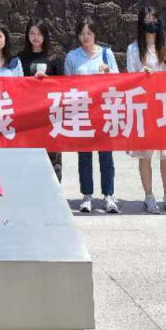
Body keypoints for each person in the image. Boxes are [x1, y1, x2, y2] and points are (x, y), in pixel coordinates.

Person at [125, 7, 166, 214]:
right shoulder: (133, 49)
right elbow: (129, 77)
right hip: (144, 106)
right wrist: (141, 73)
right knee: (145, 154)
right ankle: (149, 197)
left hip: (165, 106)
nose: (151, 23)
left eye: (154, 19)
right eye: (147, 20)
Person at [64, 17, 118, 214]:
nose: (85, 37)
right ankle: (87, 196)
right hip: (82, 111)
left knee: (106, 156)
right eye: (82, 34)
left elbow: (118, 80)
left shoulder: (106, 53)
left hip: (103, 111)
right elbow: (66, 83)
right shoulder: (72, 56)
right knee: (84, 156)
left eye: (89, 33)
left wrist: (108, 72)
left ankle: (108, 195)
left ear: (96, 34)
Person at [17, 18, 63, 182]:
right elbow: (16, 84)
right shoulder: (20, 58)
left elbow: (63, 85)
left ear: (45, 35)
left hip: (50, 113)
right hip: (28, 113)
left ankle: (54, 190)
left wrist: (48, 81)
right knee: (29, 154)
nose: (35, 37)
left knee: (52, 154)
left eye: (39, 33)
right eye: (32, 33)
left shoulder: (54, 58)